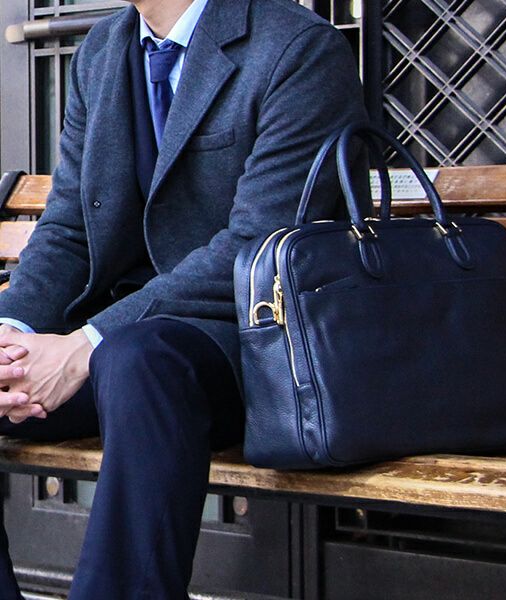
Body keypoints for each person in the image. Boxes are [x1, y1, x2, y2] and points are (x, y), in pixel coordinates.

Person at [0, 0, 367, 598]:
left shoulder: (297, 49)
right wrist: (10, 332)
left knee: (137, 359)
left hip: (250, 346)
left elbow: (257, 245)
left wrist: (86, 344)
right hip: (122, 346)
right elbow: (69, 229)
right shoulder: (102, 51)